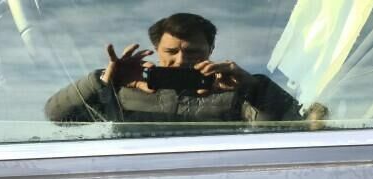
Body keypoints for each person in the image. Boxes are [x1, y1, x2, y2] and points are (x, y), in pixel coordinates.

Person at [44, 12, 305, 125]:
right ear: (156, 49)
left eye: (193, 52)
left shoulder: (235, 91)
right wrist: (102, 80)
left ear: (211, 51)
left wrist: (254, 88)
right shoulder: (120, 90)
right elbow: (58, 116)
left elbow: (291, 127)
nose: (181, 60)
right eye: (171, 52)